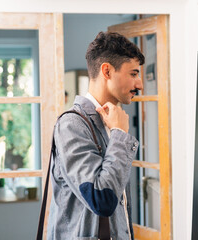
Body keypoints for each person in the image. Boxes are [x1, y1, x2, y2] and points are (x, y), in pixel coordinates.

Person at [47, 31, 145, 240]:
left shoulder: (112, 122)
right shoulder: (72, 125)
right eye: (134, 74)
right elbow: (102, 200)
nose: (140, 85)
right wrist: (119, 134)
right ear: (107, 71)